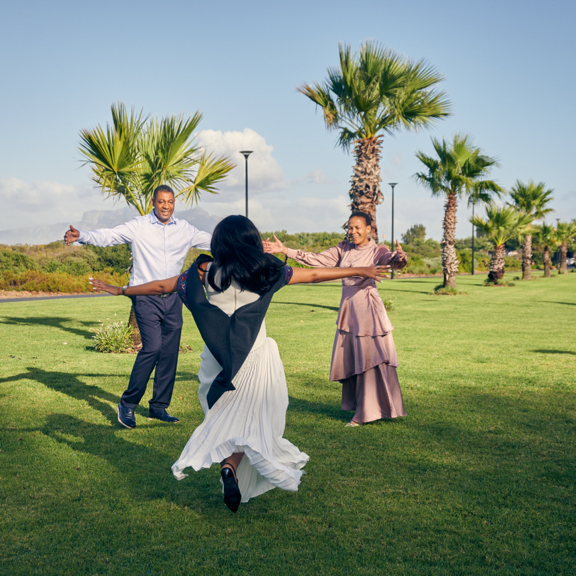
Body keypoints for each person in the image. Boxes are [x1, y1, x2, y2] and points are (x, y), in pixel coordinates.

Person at [89, 215, 389, 512]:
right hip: (254, 357)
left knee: (222, 421)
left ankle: (228, 467)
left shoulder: (204, 271)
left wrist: (122, 290)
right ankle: (230, 467)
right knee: (250, 423)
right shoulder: (265, 271)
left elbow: (160, 287)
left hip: (216, 360)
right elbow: (312, 275)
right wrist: (361, 269)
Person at [64, 185, 212, 429]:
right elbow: (109, 236)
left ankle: (159, 407)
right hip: (144, 297)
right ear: (153, 202)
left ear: (174, 203)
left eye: (170, 202)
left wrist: (252, 245)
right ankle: (128, 404)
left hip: (174, 297)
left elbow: (215, 242)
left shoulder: (186, 229)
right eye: (161, 201)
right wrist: (82, 235)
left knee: (169, 353)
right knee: (152, 348)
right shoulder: (139, 225)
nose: (166, 206)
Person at [264, 211, 408, 427]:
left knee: (370, 360)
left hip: (368, 311)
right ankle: (366, 407)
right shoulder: (343, 249)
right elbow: (316, 260)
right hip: (349, 311)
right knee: (355, 359)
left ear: (369, 229)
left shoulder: (378, 250)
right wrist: (285, 250)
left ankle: (365, 413)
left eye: (358, 227)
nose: (353, 231)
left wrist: (401, 257)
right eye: (350, 227)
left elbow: (392, 261)